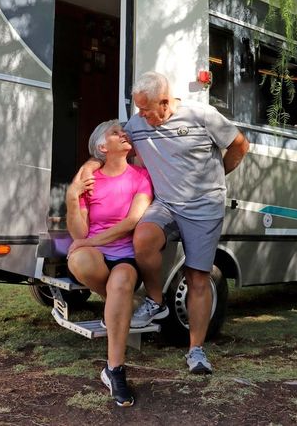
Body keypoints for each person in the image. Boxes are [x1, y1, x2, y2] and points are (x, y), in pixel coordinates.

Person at [81, 72, 249, 374]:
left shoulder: (202, 116)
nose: (140, 116)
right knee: (143, 237)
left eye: (146, 109)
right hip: (167, 204)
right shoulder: (138, 124)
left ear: (164, 101)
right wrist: (89, 168)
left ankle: (196, 350)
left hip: (204, 208)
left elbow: (240, 145)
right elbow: (108, 145)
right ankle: (155, 301)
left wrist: (215, 178)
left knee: (197, 277)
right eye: (138, 109)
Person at [66, 119, 153, 407]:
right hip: (96, 254)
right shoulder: (89, 180)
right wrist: (72, 197)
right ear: (103, 147)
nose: (123, 133)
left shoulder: (141, 176)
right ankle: (118, 304)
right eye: (115, 132)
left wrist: (90, 241)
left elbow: (132, 221)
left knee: (122, 280)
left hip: (124, 254)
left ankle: (114, 370)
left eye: (123, 131)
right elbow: (79, 234)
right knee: (80, 260)